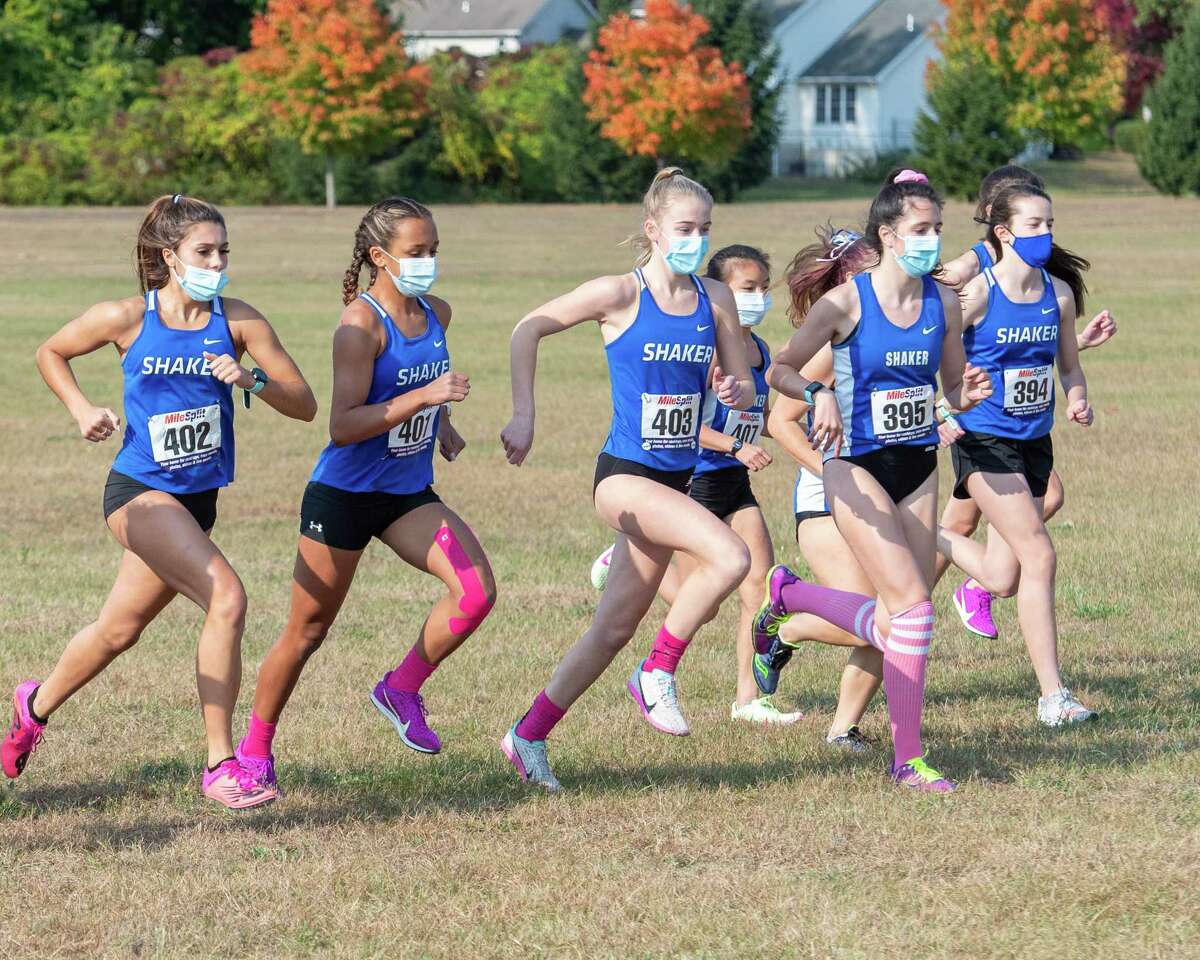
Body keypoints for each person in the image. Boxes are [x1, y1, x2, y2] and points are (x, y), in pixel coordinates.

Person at [2, 195, 316, 810]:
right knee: (227, 596)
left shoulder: (240, 321)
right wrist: (82, 409)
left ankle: (31, 709)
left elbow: (304, 403)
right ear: (170, 257)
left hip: (195, 504)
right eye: (204, 251)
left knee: (117, 631)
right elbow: (51, 351)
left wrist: (250, 379)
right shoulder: (127, 317)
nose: (218, 262)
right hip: (138, 496)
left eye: (224, 251)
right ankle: (221, 764)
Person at [499, 168, 755, 791]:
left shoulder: (715, 300)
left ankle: (525, 735)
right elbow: (526, 328)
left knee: (611, 628)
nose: (695, 239)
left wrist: (735, 386)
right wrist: (524, 415)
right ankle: (658, 671)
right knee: (731, 555)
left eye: (705, 229)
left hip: (676, 482)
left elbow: (744, 381)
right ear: (653, 230)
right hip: (622, 479)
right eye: (684, 228)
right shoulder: (618, 293)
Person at [234, 198, 495, 794]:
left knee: (476, 592)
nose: (429, 262)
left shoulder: (437, 313)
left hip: (406, 494)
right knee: (308, 630)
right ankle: (253, 751)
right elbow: (343, 425)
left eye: (434, 250)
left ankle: (400, 688)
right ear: (380, 257)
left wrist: (440, 427)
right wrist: (428, 398)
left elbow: (407, 391)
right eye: (416, 253)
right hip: (344, 497)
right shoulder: (360, 326)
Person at [754, 170, 992, 792]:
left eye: (937, 229)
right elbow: (779, 371)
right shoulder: (846, 304)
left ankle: (790, 597)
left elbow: (952, 386)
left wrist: (968, 396)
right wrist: (816, 392)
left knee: (903, 615)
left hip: (917, 466)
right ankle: (907, 759)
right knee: (912, 611)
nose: (932, 240)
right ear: (887, 235)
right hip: (853, 468)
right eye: (920, 230)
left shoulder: (941, 302)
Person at [589, 244, 800, 726]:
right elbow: (684, 422)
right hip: (696, 480)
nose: (758, 297)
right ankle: (620, 555)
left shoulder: (759, 352)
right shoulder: (706, 352)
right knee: (699, 608)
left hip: (736, 485)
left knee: (760, 590)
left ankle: (749, 699)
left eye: (764, 288)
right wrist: (732, 446)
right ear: (722, 292)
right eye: (748, 288)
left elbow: (756, 416)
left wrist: (791, 429)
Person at [936, 181, 1096, 726]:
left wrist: (1076, 397)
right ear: (1003, 233)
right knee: (1040, 555)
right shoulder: (977, 293)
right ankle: (1054, 697)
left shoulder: (1059, 295)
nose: (1046, 234)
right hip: (983, 441)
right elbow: (933, 351)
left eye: (1050, 224)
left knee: (1001, 579)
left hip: (1034, 444)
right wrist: (944, 405)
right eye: (1034, 226)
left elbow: (1068, 365)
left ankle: (921, 533)